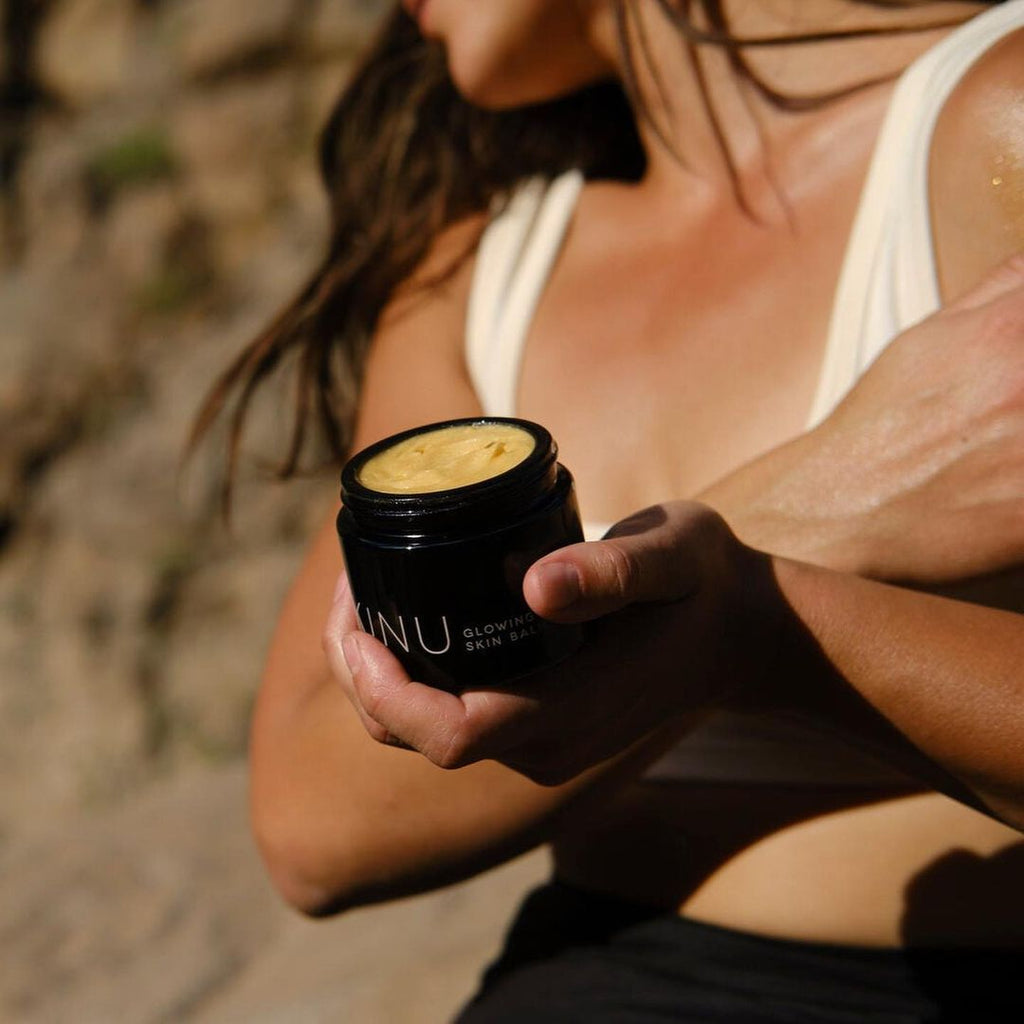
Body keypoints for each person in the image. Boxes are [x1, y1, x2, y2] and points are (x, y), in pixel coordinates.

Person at [199, 1, 1024, 1019]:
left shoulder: (999, 117)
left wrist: (753, 623)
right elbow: (311, 826)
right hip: (584, 972)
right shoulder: (479, 271)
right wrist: (813, 503)